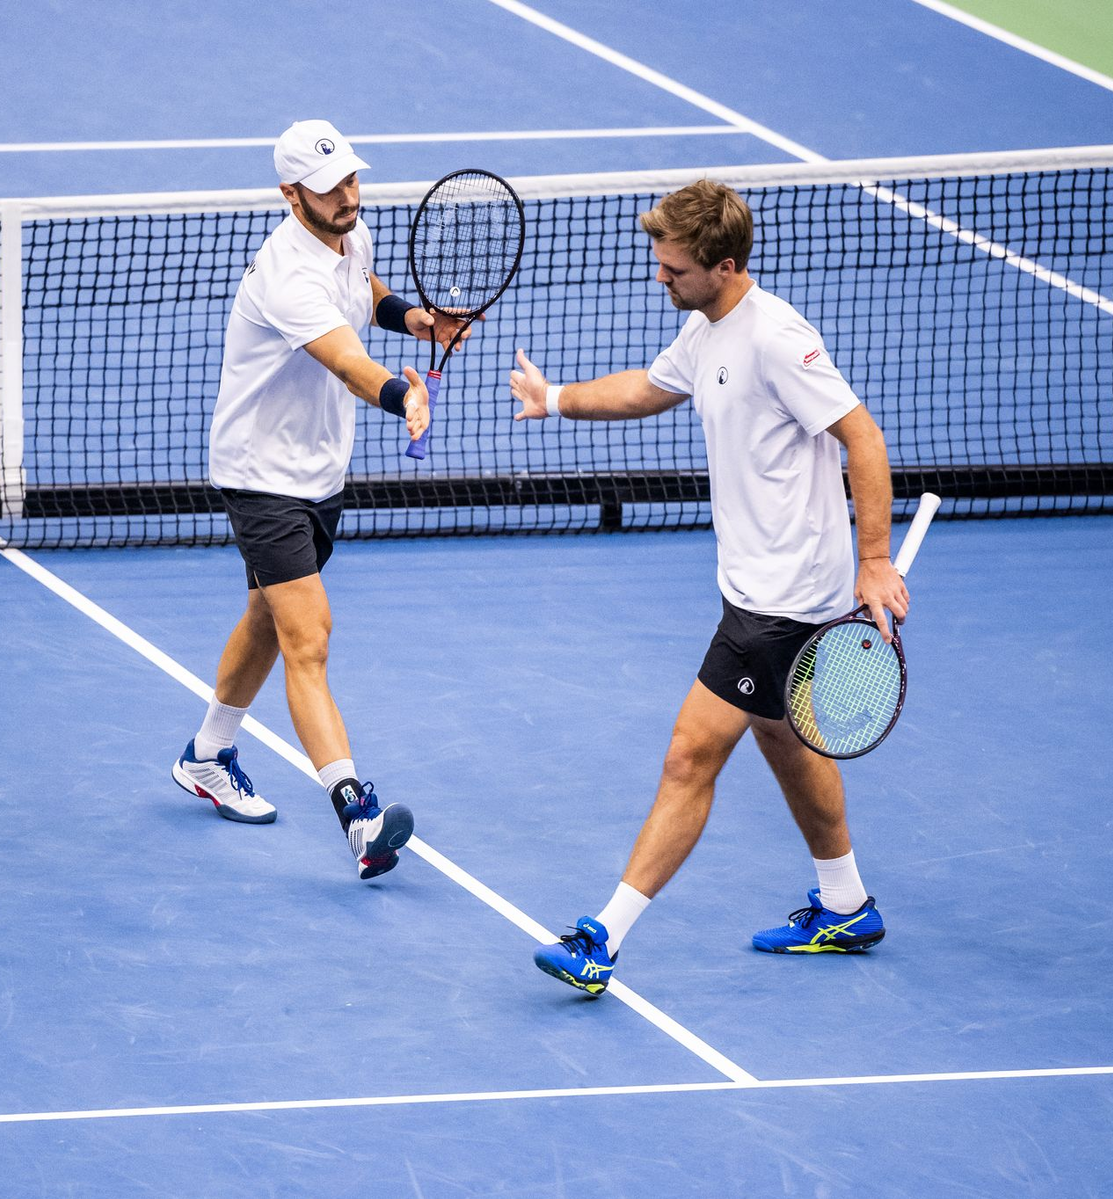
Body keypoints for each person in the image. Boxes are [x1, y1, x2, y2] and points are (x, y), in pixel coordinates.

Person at [510, 179, 910, 991]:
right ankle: (847, 901)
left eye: (675, 269)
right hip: (752, 587)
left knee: (690, 755)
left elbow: (862, 438)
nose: (661, 278)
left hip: (786, 600)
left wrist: (873, 559)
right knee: (782, 737)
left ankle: (601, 940)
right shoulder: (706, 328)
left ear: (723, 266)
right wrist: (553, 399)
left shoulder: (777, 340)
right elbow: (647, 390)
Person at [172, 119, 468, 880]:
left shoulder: (350, 233)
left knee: (268, 616)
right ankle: (357, 813)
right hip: (261, 473)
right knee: (310, 633)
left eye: (352, 179)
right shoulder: (285, 275)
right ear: (289, 193)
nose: (348, 195)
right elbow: (343, 360)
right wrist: (402, 392)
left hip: (317, 473)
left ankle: (206, 753)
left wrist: (413, 317)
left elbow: (363, 294)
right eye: (330, 186)